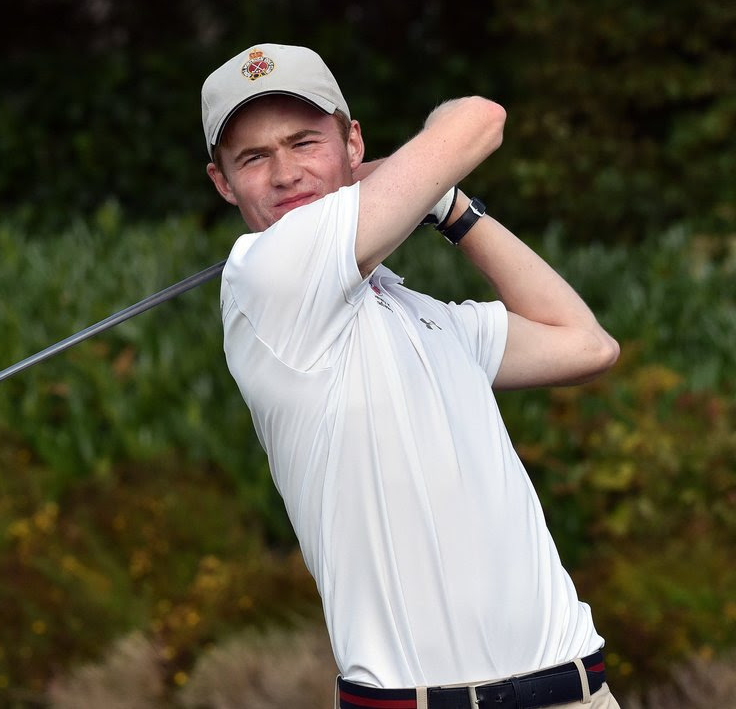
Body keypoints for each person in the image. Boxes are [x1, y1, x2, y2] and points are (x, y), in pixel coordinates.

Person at [201, 44, 622, 709]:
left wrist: (450, 208)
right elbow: (478, 119)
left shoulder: (426, 318)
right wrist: (407, 177)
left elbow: (586, 345)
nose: (285, 173)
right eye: (253, 158)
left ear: (352, 143)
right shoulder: (266, 278)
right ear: (223, 184)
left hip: (576, 691)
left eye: (305, 142)